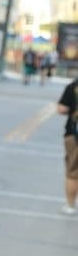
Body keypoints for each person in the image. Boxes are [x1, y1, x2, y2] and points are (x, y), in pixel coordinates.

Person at [56, 77, 78, 215]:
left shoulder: (73, 87)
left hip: (75, 135)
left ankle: (70, 205)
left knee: (73, 172)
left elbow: (61, 109)